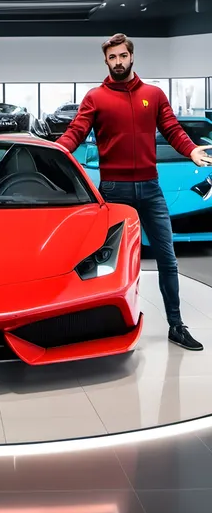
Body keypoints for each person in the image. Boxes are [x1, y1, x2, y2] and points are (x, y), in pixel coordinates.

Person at [57, 32, 212, 351]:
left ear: (131, 57)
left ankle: (176, 325)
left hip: (151, 189)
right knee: (105, 262)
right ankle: (104, 326)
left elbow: (171, 128)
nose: (118, 62)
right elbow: (75, 133)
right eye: (112, 57)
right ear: (106, 61)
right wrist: (53, 152)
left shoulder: (153, 95)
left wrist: (191, 150)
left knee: (167, 259)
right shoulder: (95, 97)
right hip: (113, 190)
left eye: (122, 56)